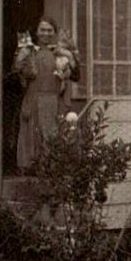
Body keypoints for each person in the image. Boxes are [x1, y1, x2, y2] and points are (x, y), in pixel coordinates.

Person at [15, 16, 81, 171]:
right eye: (42, 30)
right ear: (36, 32)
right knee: (32, 141)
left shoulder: (60, 53)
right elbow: (16, 77)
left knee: (53, 139)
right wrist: (20, 60)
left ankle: (51, 174)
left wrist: (70, 57)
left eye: (49, 30)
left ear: (54, 32)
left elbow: (76, 76)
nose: (45, 33)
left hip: (54, 103)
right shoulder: (28, 51)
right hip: (33, 101)